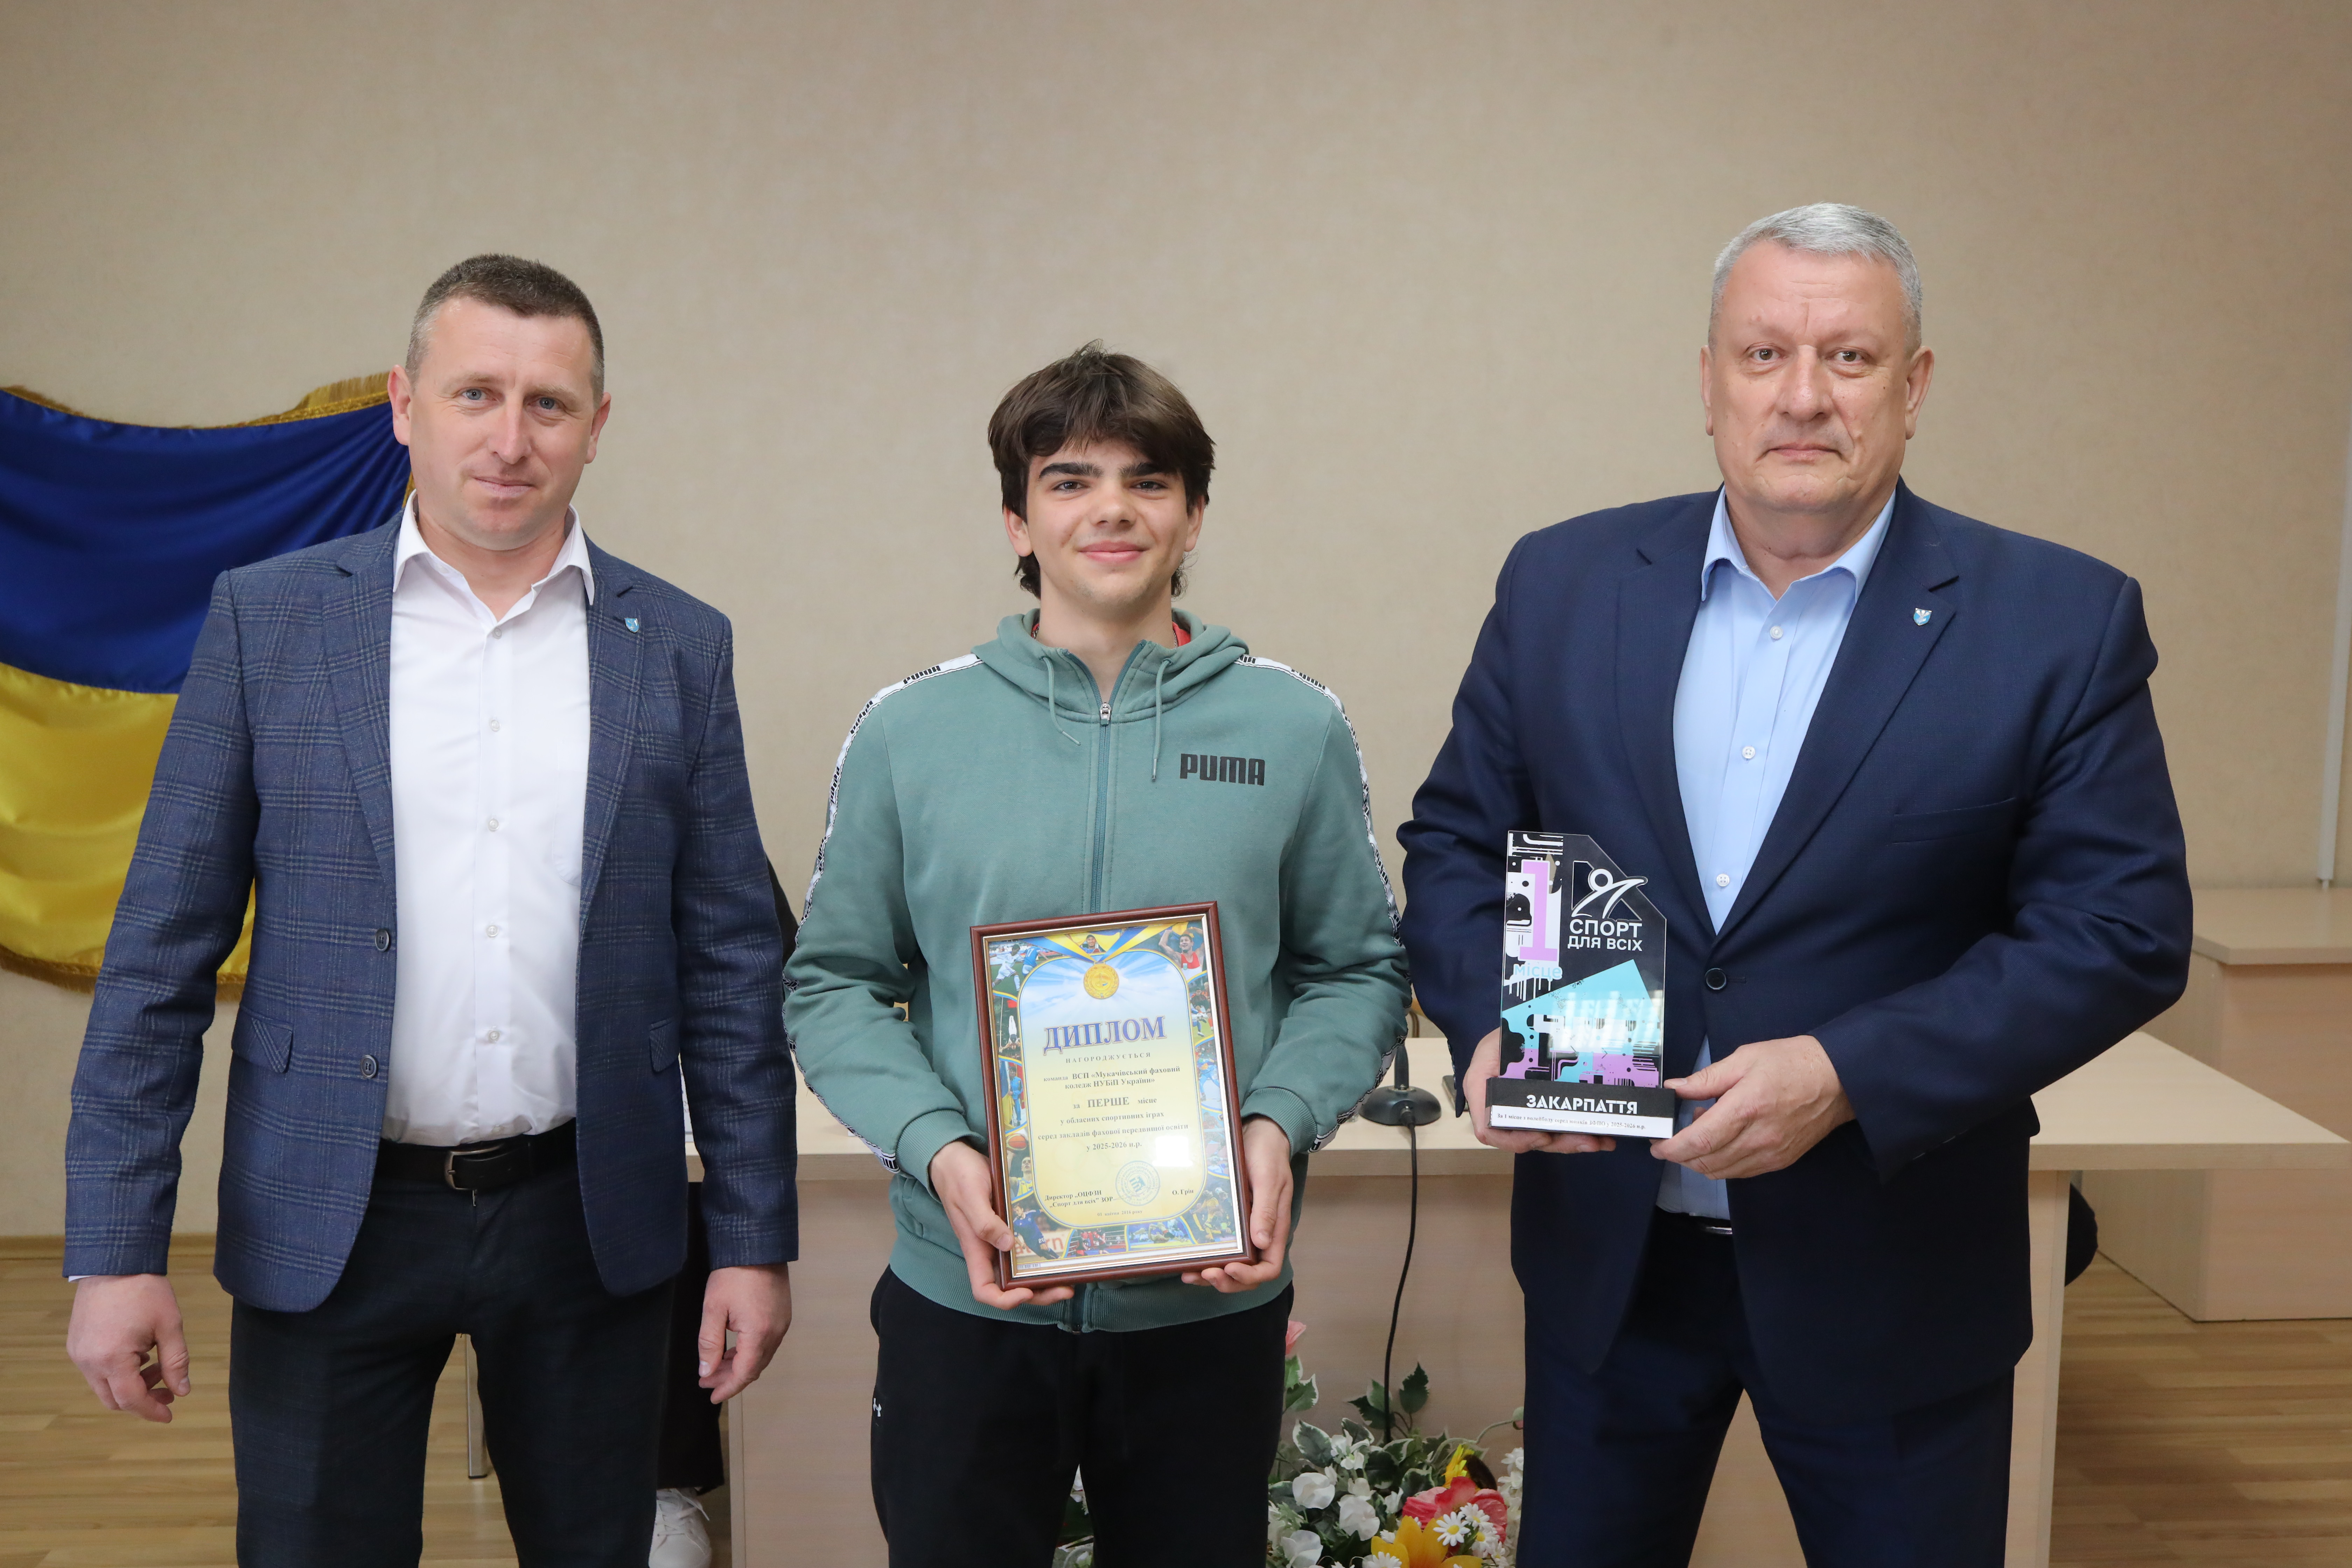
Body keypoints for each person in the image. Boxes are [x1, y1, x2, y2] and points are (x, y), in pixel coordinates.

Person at [1397, 204, 2191, 1567]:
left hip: (1891, 1274)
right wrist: (1485, 1026)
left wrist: (1846, 1071)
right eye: (1764, 353)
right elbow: (1458, 843)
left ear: (1915, 386)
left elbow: (2118, 929)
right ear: (1707, 380)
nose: (1804, 395)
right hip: (1610, 1269)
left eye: (1850, 357)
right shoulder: (1563, 582)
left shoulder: (2058, 621)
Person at [62, 254, 798, 1568]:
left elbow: (733, 961)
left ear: (597, 426)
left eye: (548, 403)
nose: (510, 440)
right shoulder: (270, 624)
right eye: (475, 394)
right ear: (405, 405)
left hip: (590, 1218)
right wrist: (115, 1251)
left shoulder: (682, 646)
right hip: (329, 1216)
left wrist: (751, 1241)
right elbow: (158, 956)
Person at [786, 342, 1409, 1567]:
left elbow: (1357, 970)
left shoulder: (1294, 725)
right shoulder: (910, 731)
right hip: (969, 1292)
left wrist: (1277, 1124)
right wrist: (941, 1149)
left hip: (1205, 1307)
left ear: (1194, 516)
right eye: (1069, 481)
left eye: (1148, 480)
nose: (1111, 509)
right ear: (1017, 521)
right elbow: (833, 984)